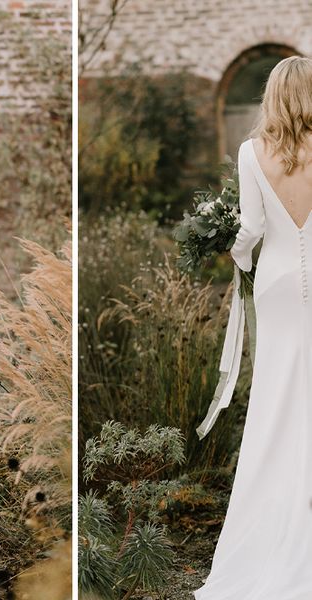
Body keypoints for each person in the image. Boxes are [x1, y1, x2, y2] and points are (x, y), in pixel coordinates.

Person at [194, 56, 312, 598]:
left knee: (277, 399)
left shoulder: (251, 152)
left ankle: (271, 519)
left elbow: (252, 230)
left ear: (271, 96)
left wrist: (234, 253)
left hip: (278, 286)